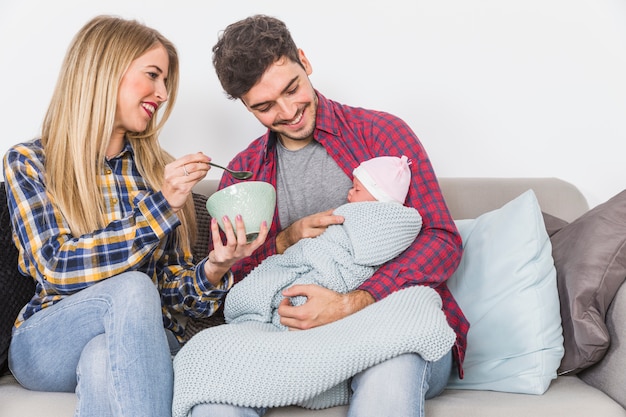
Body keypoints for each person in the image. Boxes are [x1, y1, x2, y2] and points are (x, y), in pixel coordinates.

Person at [193, 14, 469, 417]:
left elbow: (441, 240)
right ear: (246, 106)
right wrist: (284, 241)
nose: (288, 112)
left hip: (386, 325)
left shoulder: (381, 134)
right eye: (265, 107)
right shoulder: (244, 174)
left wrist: (350, 303)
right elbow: (242, 286)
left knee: (390, 369)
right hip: (287, 342)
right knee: (214, 394)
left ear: (304, 60)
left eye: (292, 89)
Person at [2, 15, 267, 417]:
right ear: (106, 71)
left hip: (142, 336)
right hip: (47, 338)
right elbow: (56, 265)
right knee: (130, 287)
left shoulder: (156, 170)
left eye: (166, 82)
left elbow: (173, 296)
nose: (162, 94)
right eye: (153, 75)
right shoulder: (30, 161)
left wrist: (215, 266)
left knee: (100, 357)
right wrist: (160, 207)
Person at [224, 155, 423, 329]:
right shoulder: (246, 162)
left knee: (292, 289)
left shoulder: (381, 225)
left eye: (357, 189)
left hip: (332, 270)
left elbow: (345, 255)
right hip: (308, 255)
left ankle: (272, 312)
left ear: (380, 198)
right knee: (272, 275)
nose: (349, 194)